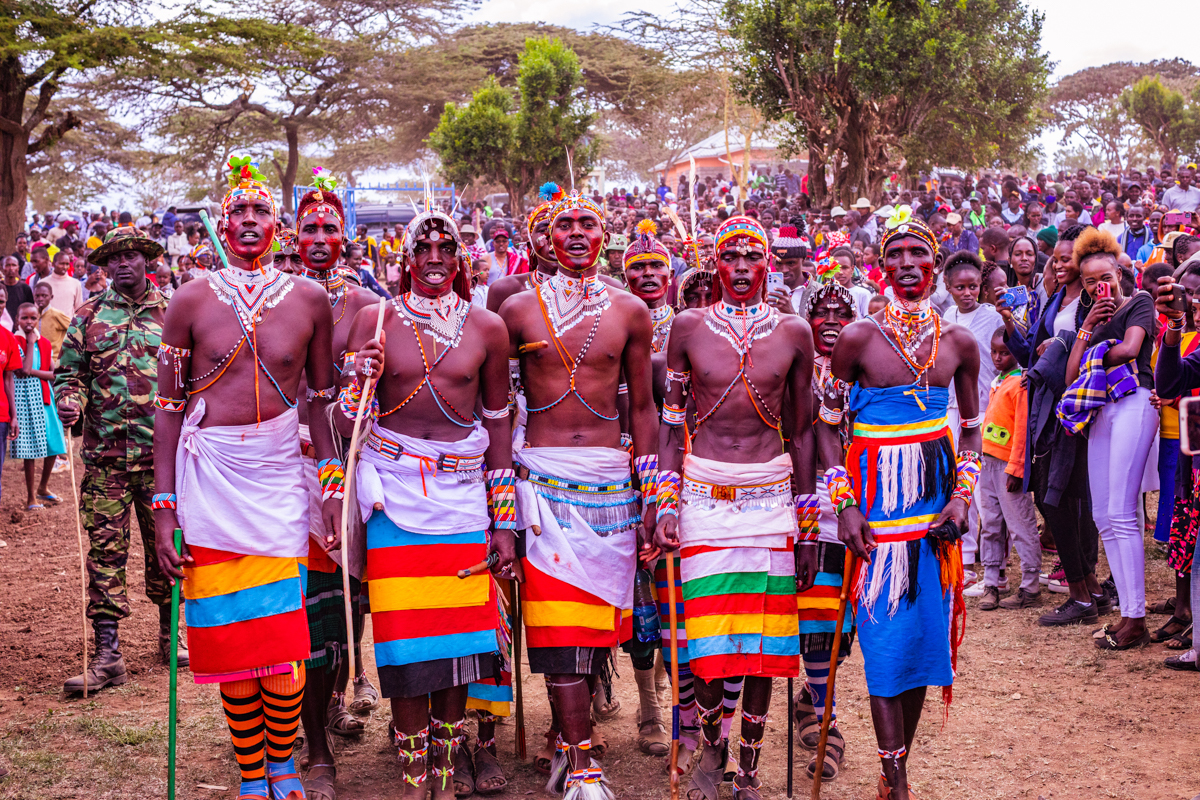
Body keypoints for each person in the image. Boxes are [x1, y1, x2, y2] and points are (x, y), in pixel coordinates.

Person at [152, 158, 342, 800]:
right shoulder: (191, 298)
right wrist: (164, 508)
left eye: (261, 212)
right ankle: (252, 772)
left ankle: (284, 766)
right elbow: (170, 410)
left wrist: (333, 477)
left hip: (280, 478)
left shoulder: (308, 299)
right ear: (224, 224)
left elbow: (319, 398)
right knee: (235, 641)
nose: (250, 222)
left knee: (283, 637)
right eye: (239, 212)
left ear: (278, 226)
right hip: (210, 479)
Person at [343, 205, 515, 799]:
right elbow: (345, 419)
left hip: (464, 500)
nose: (435, 258)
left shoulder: (487, 327)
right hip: (393, 501)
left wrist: (505, 522)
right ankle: (415, 777)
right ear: (406, 259)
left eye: (445, 249)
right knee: (403, 641)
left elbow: (497, 423)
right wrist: (356, 375)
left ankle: (445, 770)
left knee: (461, 641)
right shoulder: (376, 318)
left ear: (459, 259)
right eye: (424, 249)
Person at [499, 190, 658, 799]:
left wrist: (654, 497)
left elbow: (642, 408)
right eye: (562, 224)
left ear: (603, 234)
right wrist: (502, 504)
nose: (574, 233)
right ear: (543, 238)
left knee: (594, 625)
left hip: (611, 484)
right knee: (559, 625)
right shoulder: (514, 310)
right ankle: (584, 761)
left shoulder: (630, 311)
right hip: (539, 480)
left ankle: (571, 741)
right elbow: (494, 410)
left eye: (586, 223)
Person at [817, 209, 981, 800]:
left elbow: (970, 429)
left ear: (935, 265)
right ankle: (899, 783)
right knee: (884, 646)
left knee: (919, 646)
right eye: (897, 255)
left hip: (933, 521)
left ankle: (894, 775)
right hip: (875, 519)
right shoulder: (858, 337)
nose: (908, 265)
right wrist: (845, 506)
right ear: (880, 266)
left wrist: (961, 501)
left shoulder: (959, 342)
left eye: (919, 255)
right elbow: (826, 427)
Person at [656, 215, 815, 800]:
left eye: (752, 256)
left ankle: (748, 766)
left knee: (764, 646)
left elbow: (801, 433)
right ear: (715, 265)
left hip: (770, 498)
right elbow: (672, 428)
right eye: (731, 257)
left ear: (766, 263)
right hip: (703, 494)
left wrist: (806, 519)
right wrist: (665, 502)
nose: (742, 267)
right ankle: (710, 748)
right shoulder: (687, 327)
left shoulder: (794, 332)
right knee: (706, 639)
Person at [55, 226, 184, 694]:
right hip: (106, 462)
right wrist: (71, 399)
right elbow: (69, 373)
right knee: (105, 555)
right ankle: (108, 656)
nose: (123, 263)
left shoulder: (174, 311)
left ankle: (173, 637)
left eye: (132, 256)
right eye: (114, 258)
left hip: (163, 462)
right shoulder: (88, 316)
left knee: (167, 551)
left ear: (147, 260)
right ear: (105, 265)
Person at [290, 171, 382, 798]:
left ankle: (330, 708)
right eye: (310, 229)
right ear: (292, 237)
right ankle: (315, 744)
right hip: (284, 464)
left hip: (351, 461)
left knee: (353, 601)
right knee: (314, 611)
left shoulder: (365, 305)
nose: (320, 237)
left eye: (330, 227)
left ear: (344, 235)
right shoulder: (274, 297)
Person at [1062, 228, 1157, 650]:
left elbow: (1131, 349)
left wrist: (1094, 354)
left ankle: (1135, 618)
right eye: (1088, 281)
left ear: (1119, 272)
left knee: (1121, 512)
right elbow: (1069, 378)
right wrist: (1087, 327)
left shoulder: (1139, 302)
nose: (1098, 286)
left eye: (1105, 277)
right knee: (1103, 515)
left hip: (1135, 400)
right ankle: (1127, 615)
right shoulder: (1091, 322)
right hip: (1102, 411)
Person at [793, 267, 857, 782]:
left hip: (852, 502)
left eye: (841, 313)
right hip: (796, 496)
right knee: (806, 609)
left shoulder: (864, 367)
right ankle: (821, 714)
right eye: (822, 313)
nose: (831, 321)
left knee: (832, 621)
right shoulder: (794, 369)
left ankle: (820, 708)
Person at [973, 328, 1041, 610]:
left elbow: (1023, 430)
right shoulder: (997, 380)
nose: (998, 358)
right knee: (989, 524)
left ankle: (1030, 585)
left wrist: (1016, 468)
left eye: (1005, 352)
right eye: (995, 352)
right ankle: (991, 583)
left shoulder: (1020, 384)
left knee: (1020, 524)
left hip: (1007, 467)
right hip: (987, 462)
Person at [11, 301, 67, 510]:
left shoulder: (43, 343)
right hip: (24, 400)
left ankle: (43, 487)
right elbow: (23, 369)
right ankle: (30, 497)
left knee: (53, 442)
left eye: (33, 318)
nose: (29, 322)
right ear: (17, 320)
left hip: (45, 398)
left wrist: (35, 371)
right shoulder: (15, 341)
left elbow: (53, 373)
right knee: (30, 450)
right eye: (24, 318)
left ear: (38, 319)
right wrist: (29, 342)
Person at [32, 283, 70, 362]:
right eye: (37, 296)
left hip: (54, 359)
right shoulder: (33, 315)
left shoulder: (56, 314)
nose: (40, 298)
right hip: (37, 358)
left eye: (44, 296)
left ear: (51, 297)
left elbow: (76, 329)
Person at [3, 254, 34, 325]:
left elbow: (30, 310)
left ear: (18, 268)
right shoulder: (1, 287)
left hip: (20, 327)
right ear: (2, 267)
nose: (11, 268)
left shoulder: (25, 288)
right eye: (8, 265)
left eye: (14, 265)